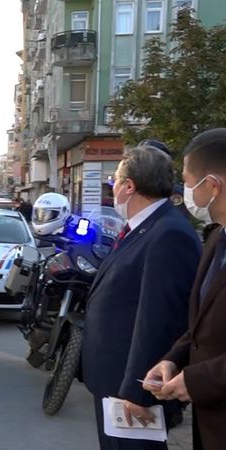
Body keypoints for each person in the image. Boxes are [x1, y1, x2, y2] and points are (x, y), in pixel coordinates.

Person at [82, 144, 201, 450]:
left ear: (129, 186)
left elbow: (159, 318)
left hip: (132, 386)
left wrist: (138, 390)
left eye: (115, 183)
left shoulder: (168, 234)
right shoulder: (142, 227)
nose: (113, 190)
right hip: (113, 378)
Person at [142, 128, 226, 450]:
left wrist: (195, 380)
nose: (185, 192)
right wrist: (174, 359)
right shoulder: (216, 238)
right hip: (211, 425)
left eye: (190, 184)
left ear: (213, 186)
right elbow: (202, 322)